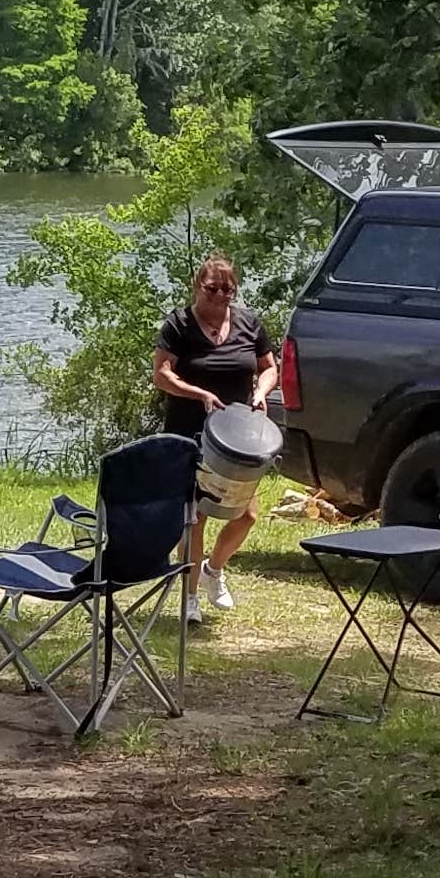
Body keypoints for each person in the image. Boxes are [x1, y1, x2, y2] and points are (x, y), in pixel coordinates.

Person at [151, 254, 277, 612]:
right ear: (197, 287)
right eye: (212, 289)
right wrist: (199, 393)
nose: (221, 295)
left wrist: (260, 392)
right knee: (197, 516)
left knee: (247, 514)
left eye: (228, 289)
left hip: (239, 438)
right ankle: (189, 598)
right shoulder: (178, 324)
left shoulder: (248, 322)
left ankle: (213, 570)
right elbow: (161, 374)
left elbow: (270, 368)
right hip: (192, 434)